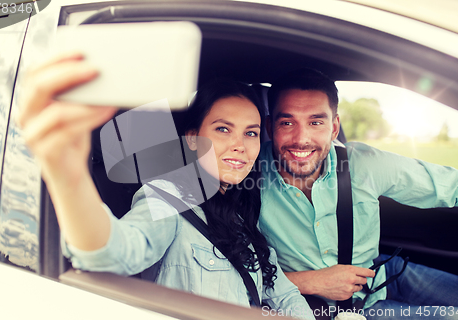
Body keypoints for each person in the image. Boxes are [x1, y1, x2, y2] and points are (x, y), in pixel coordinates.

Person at [16, 52, 315, 319]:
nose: (240, 146)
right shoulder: (169, 196)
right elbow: (115, 253)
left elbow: (283, 295)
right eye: (223, 129)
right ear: (191, 138)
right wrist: (69, 176)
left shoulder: (241, 212)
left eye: (250, 133)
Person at [258, 68, 458, 319]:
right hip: (323, 307)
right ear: (270, 128)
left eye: (316, 122)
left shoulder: (364, 163)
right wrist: (307, 282)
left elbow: (456, 185)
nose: (301, 138)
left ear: (334, 127)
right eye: (287, 122)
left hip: (378, 272)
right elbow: (223, 275)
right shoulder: (244, 178)